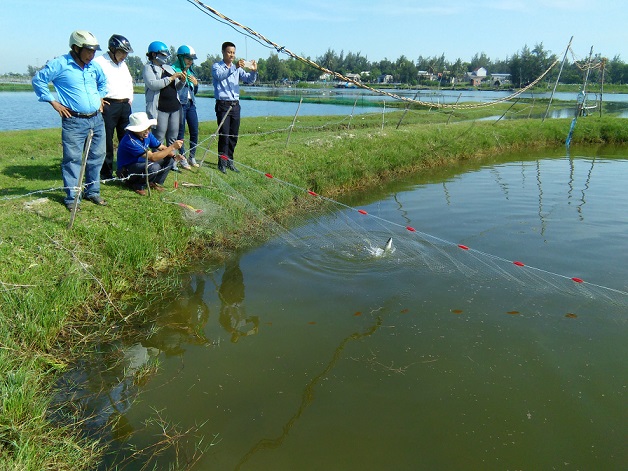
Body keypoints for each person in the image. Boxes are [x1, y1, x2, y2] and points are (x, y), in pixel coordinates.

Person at [32, 30, 108, 211]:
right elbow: (38, 80)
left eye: (94, 51)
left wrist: (100, 97)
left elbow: (103, 82)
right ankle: (73, 197)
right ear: (76, 48)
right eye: (88, 51)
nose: (92, 55)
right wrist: (52, 101)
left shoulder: (93, 66)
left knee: (97, 156)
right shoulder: (60, 64)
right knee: (72, 159)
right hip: (74, 121)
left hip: (97, 119)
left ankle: (92, 191)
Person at [143, 41, 191, 171]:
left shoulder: (169, 68)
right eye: (162, 55)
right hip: (160, 108)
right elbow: (153, 84)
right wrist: (170, 78)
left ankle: (171, 163)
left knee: (173, 137)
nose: (165, 57)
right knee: (159, 137)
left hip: (174, 107)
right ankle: (156, 163)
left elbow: (177, 87)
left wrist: (182, 80)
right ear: (154, 54)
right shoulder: (148, 68)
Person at [211, 41, 258, 173]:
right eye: (229, 52)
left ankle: (230, 161)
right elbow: (220, 77)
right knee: (224, 135)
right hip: (223, 105)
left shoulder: (238, 69)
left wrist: (254, 71)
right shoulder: (217, 67)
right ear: (223, 52)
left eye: (233, 53)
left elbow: (249, 80)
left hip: (235, 105)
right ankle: (222, 162)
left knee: (233, 136)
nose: (232, 55)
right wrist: (234, 68)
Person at [93, 34, 134, 180]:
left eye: (126, 53)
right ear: (112, 49)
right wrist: (98, 99)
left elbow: (129, 83)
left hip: (124, 105)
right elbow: (92, 83)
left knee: (126, 139)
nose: (124, 56)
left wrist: (130, 99)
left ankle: (125, 170)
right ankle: (106, 172)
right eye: (122, 52)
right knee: (107, 140)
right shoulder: (99, 62)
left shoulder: (123, 65)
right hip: (109, 105)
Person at [116, 111, 183, 196]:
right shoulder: (130, 141)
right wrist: (172, 147)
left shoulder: (147, 135)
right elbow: (152, 157)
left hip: (141, 164)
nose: (147, 131)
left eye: (148, 128)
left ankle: (153, 182)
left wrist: (174, 156)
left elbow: (161, 147)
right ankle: (137, 185)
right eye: (143, 129)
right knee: (154, 167)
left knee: (169, 159)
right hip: (127, 169)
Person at [172, 45, 200, 168]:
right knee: (181, 132)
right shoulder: (173, 69)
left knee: (194, 129)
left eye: (192, 59)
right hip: (180, 104)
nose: (190, 61)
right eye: (188, 58)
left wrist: (196, 84)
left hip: (191, 104)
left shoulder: (191, 70)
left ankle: (192, 157)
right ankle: (182, 157)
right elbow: (173, 90)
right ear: (181, 57)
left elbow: (195, 91)